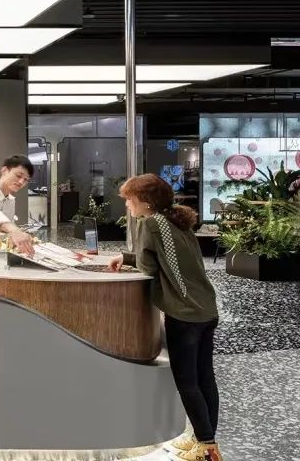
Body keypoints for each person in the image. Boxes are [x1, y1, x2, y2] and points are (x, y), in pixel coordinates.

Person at [107, 174, 221, 461]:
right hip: (205, 309)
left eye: (130, 200)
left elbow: (148, 268)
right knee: (205, 378)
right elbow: (174, 258)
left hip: (183, 314)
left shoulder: (150, 224)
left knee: (187, 382)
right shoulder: (177, 220)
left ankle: (206, 448)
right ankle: (205, 441)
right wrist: (127, 257)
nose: (128, 205)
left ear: (146, 202)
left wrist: (132, 264)